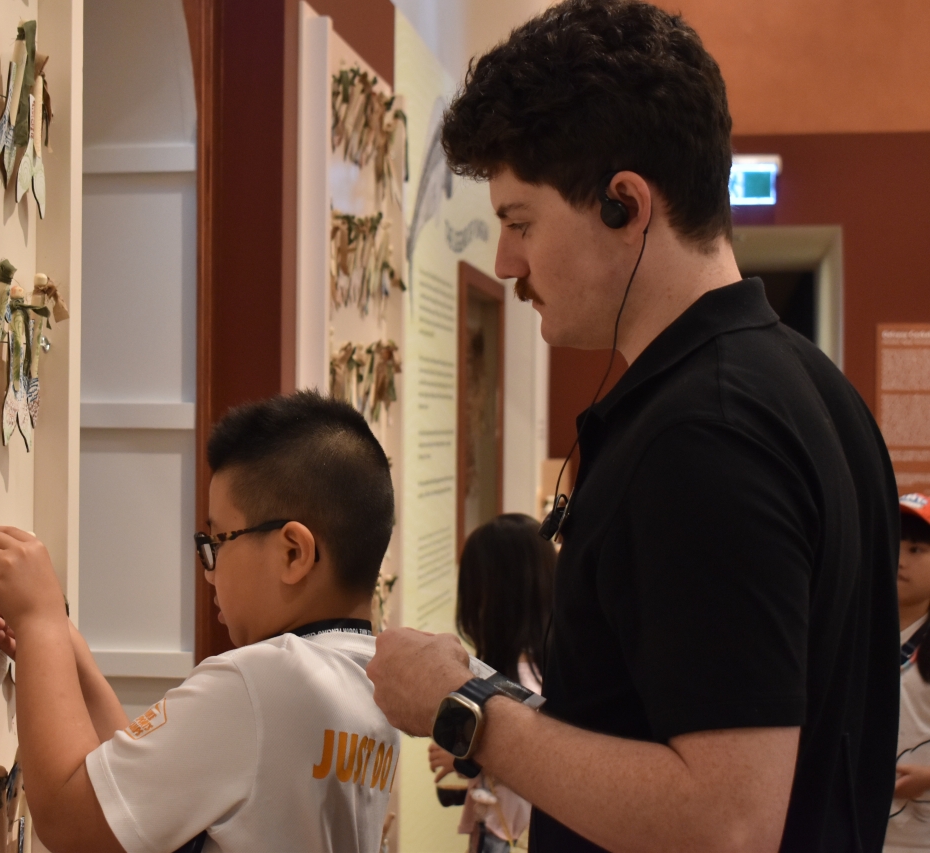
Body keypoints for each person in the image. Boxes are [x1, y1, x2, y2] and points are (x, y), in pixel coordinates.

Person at [364, 1, 900, 851]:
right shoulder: (812, 387)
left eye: (520, 223)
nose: (506, 263)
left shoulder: (706, 435)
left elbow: (726, 821)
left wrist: (465, 708)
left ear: (625, 204)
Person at [0, 390, 401, 853]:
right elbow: (134, 800)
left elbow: (70, 818)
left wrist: (39, 620)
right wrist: (72, 660)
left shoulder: (264, 682)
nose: (209, 571)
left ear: (293, 553)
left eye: (217, 541)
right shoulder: (374, 684)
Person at [429, 514, 555, 851]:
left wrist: (464, 757)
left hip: (504, 832)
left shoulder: (517, 684)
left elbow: (528, 759)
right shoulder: (548, 671)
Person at [887, 493, 930, 851]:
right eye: (893, 545)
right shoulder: (848, 632)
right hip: (856, 830)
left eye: (916, 549)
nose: (900, 560)